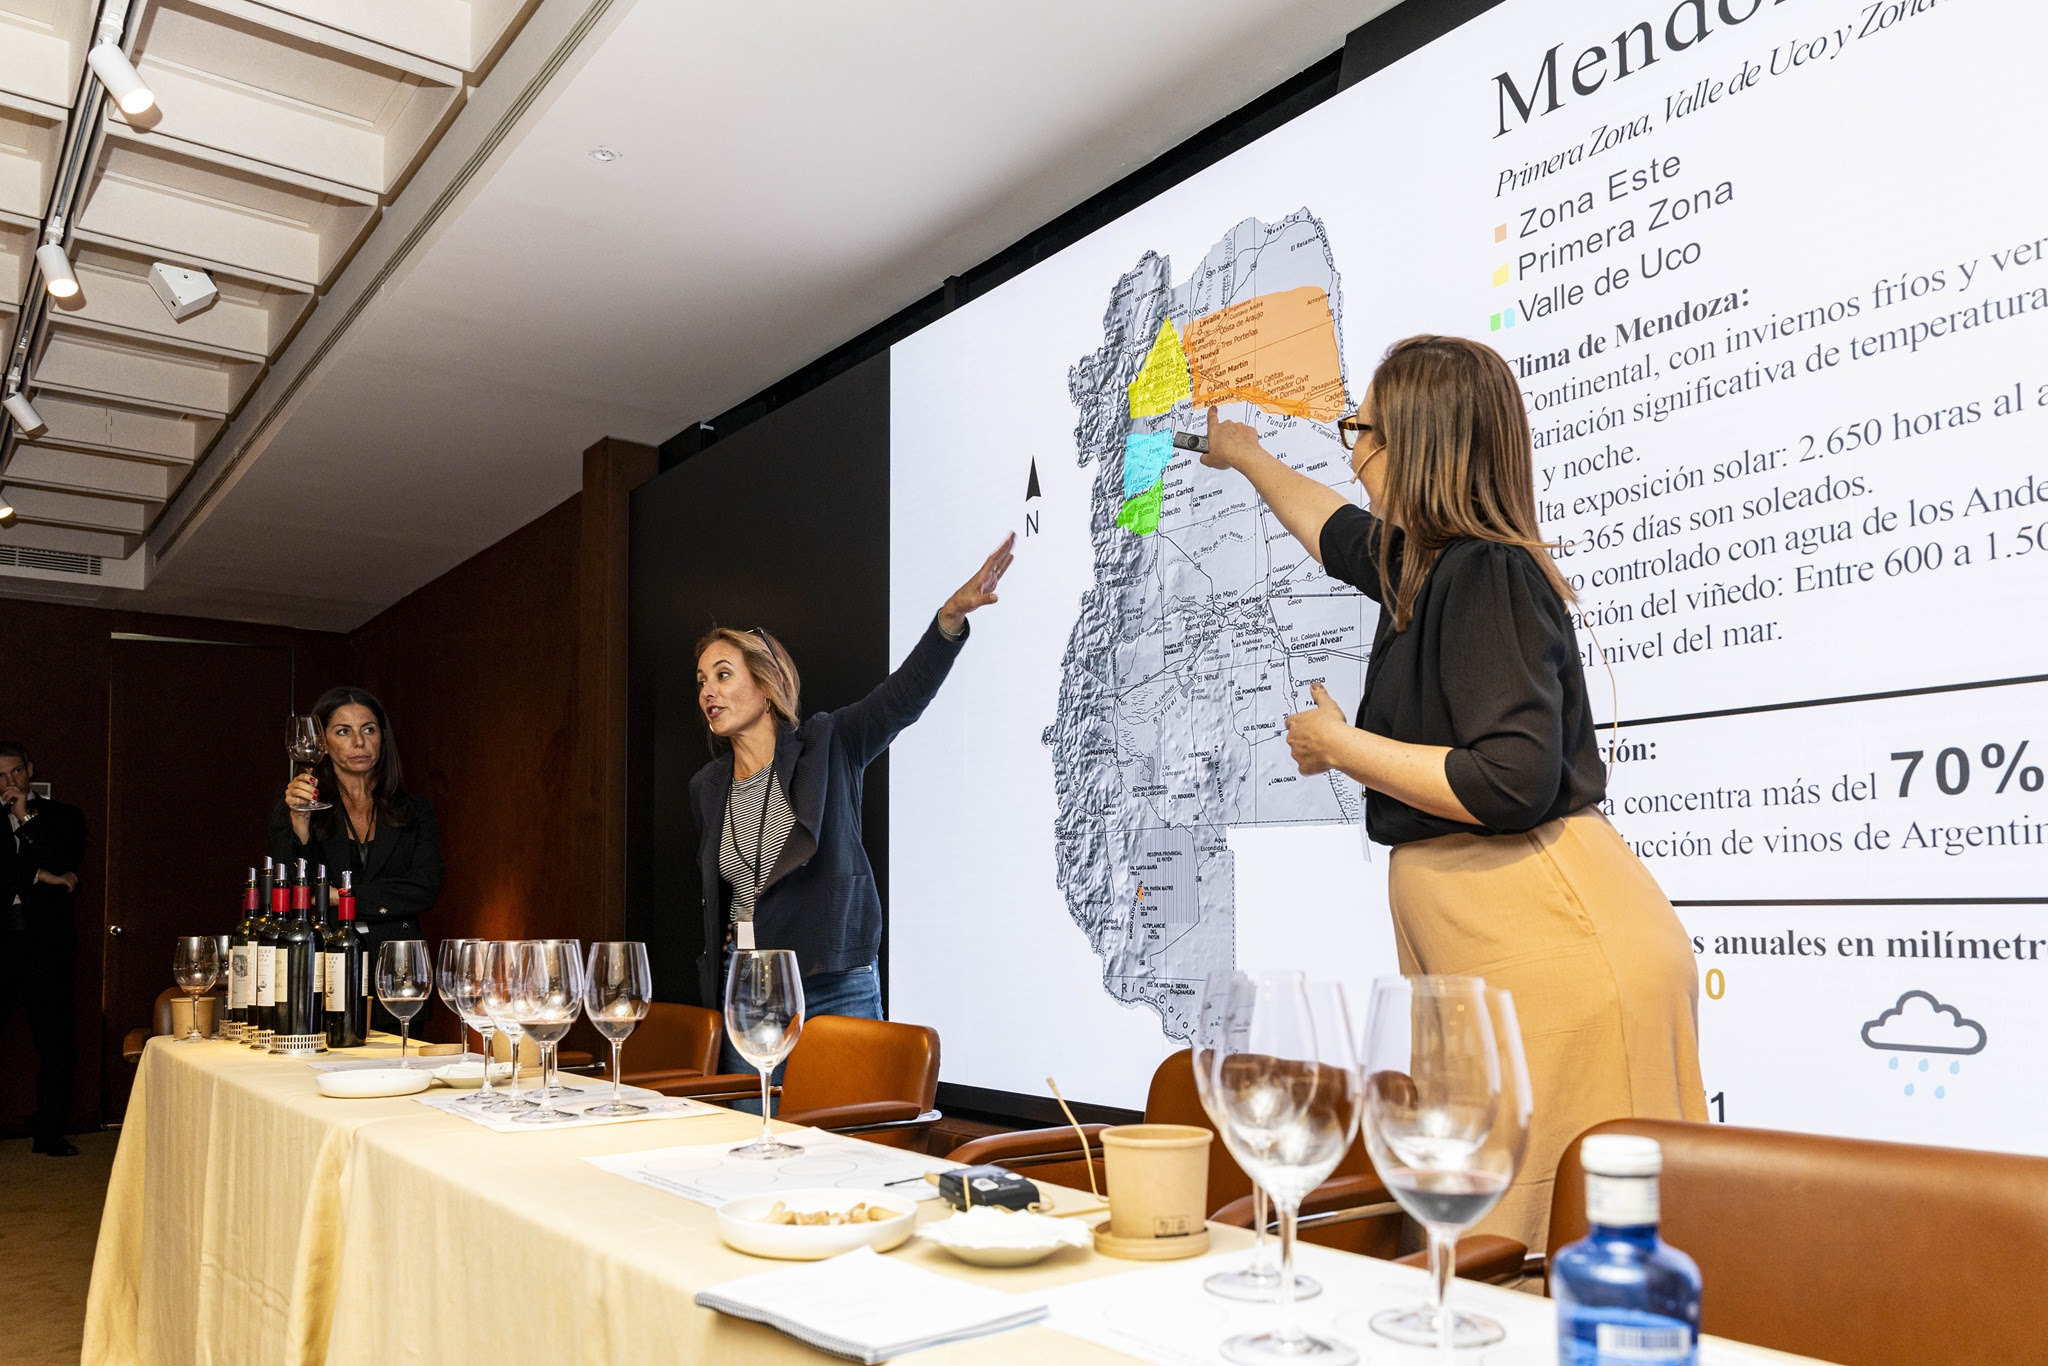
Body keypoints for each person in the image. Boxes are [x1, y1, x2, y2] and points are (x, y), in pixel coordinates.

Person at [1201, 335, 1706, 1249]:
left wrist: (1343, 746)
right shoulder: (1427, 568)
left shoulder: (1485, 571)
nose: (1351, 451)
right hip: (1505, 940)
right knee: (1499, 1239)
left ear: (1417, 442)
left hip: (1554, 946)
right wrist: (1240, 453)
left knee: (1541, 1246)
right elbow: (1331, 532)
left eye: (1363, 430)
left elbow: (1509, 779)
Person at [692, 534, 1014, 1094]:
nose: (707, 692)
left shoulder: (827, 744)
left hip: (834, 979)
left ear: (765, 686)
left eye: (722, 674)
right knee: (747, 1148)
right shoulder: (707, 786)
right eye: (701, 681)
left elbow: (902, 697)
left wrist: (950, 618)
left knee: (849, 1142)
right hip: (750, 990)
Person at [269, 687, 442, 1034]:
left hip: (399, 976)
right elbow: (289, 891)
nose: (359, 742)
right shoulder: (294, 810)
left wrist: (339, 897)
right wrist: (300, 824)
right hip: (321, 973)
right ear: (323, 743)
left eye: (369, 729)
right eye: (343, 731)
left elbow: (424, 889)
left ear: (382, 736)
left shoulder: (415, 811)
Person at [0, 741, 87, 1157]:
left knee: (55, 1041)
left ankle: (50, 1134)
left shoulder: (62, 817)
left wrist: (25, 818)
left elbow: (65, 857)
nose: (8, 782)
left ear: (30, 769)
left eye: (15, 772)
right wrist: (41, 875)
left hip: (45, 945)